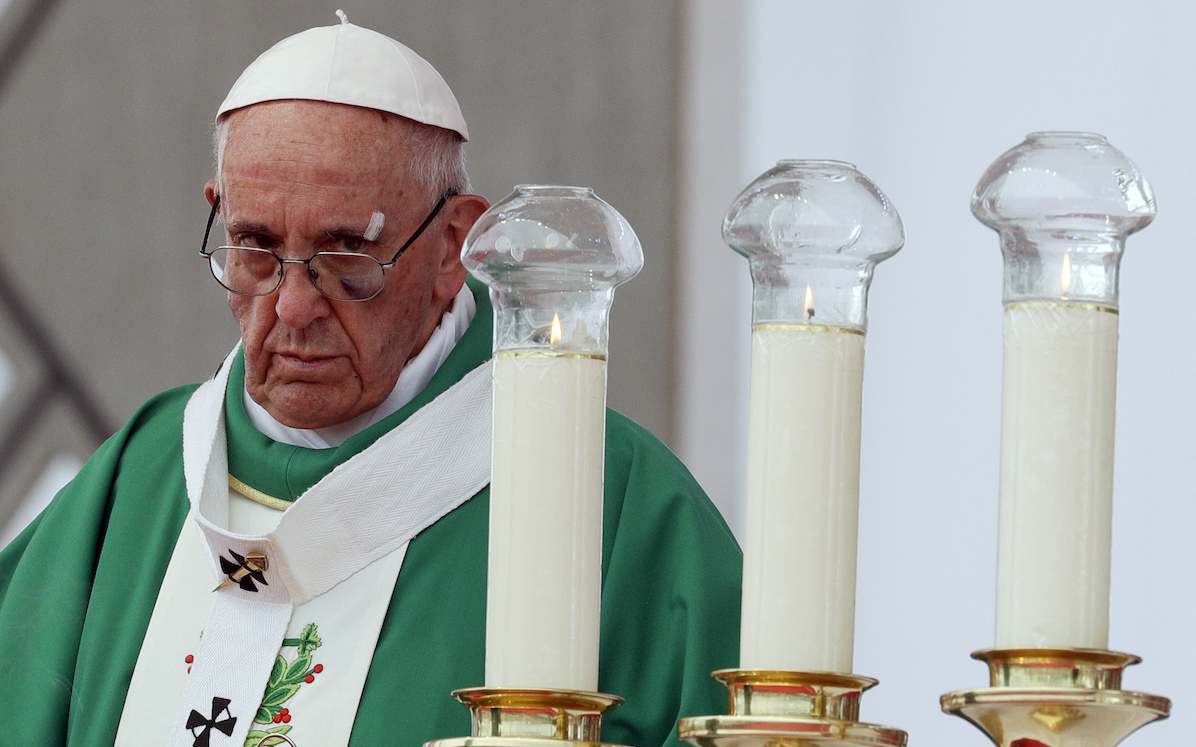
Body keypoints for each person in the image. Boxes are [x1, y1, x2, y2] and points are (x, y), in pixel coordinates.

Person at [0, 15, 740, 747]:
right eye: (256, 247)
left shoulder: (611, 503)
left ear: (454, 247)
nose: (293, 306)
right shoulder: (138, 479)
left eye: (348, 252)